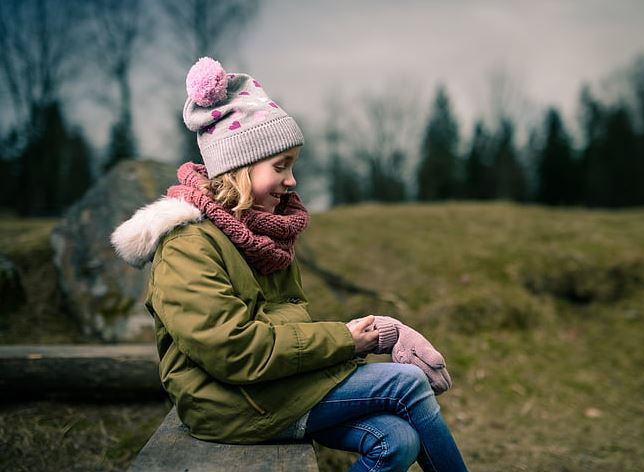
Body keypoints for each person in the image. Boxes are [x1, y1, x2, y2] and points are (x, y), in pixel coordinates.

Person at [111, 57, 468, 472]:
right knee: (406, 382)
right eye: (280, 166)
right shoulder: (187, 246)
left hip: (269, 389)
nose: (292, 180)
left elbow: (287, 319)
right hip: (227, 403)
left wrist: (366, 332)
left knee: (397, 439)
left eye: (292, 165)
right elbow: (234, 351)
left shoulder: (263, 236)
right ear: (238, 167)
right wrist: (347, 341)